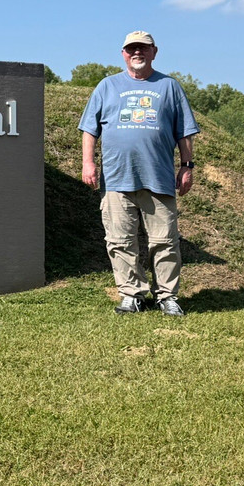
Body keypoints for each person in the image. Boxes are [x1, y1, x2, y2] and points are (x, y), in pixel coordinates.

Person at [78, 31, 199, 316]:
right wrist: (87, 163)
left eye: (143, 48)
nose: (137, 53)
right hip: (116, 178)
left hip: (158, 178)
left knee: (165, 241)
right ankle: (131, 295)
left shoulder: (169, 86)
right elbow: (89, 129)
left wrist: (187, 166)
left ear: (154, 52)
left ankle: (167, 296)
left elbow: (184, 131)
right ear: (123, 53)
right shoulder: (107, 86)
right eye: (131, 48)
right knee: (120, 241)